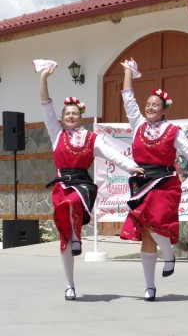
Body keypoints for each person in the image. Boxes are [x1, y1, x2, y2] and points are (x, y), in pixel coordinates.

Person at [120, 61, 188, 302]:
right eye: (147, 105)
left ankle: (168, 255)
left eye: (154, 105)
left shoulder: (172, 131)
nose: (149, 108)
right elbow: (128, 97)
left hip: (165, 182)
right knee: (147, 231)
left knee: (157, 221)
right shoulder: (137, 125)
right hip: (140, 182)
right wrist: (128, 71)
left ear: (163, 109)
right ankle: (149, 286)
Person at [40, 65, 144, 301]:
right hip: (61, 186)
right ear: (63, 117)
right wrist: (43, 77)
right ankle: (70, 284)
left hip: (82, 186)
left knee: (72, 201)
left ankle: (77, 235)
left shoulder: (90, 138)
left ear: (80, 116)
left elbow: (111, 153)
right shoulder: (55, 133)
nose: (70, 116)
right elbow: (45, 104)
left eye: (74, 113)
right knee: (63, 239)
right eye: (67, 113)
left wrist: (131, 166)